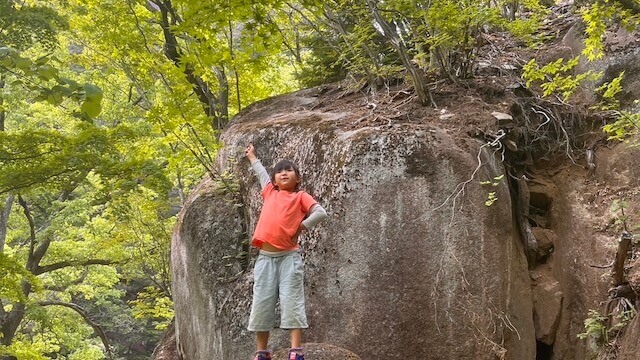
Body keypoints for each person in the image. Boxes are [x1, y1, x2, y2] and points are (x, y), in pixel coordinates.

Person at [244, 143, 328, 360]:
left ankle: (295, 351)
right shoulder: (270, 192)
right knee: (262, 302)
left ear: (297, 178)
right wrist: (252, 156)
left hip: (289, 258)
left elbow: (320, 213)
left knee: (292, 301)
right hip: (265, 258)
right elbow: (261, 172)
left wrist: (302, 226)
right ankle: (262, 352)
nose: (283, 173)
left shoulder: (300, 196)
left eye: (289, 170)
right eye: (279, 171)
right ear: (274, 180)